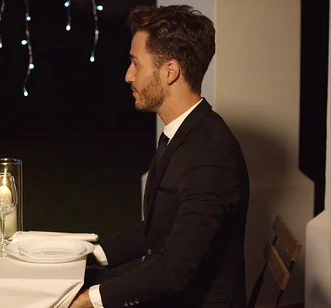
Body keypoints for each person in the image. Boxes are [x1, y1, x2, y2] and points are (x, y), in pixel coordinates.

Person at [70, 5, 250, 308]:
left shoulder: (210, 155)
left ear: (170, 71)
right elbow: (159, 229)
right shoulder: (186, 132)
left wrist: (89, 299)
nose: (128, 76)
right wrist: (92, 256)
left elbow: (174, 270)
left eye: (135, 64)